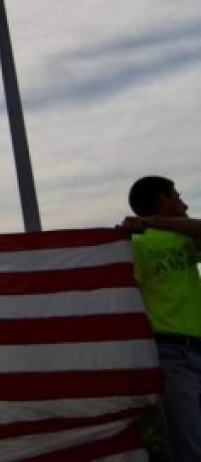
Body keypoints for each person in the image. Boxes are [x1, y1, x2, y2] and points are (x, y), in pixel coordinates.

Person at [121, 176, 201, 462]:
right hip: (171, 352)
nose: (184, 202)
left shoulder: (184, 235)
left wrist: (152, 221)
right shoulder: (138, 246)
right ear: (162, 199)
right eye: (177, 195)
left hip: (197, 346)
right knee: (191, 443)